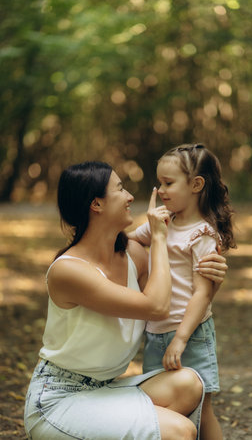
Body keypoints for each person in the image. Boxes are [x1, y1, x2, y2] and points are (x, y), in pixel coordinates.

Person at [24, 161, 228, 440]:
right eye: (120, 189)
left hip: (105, 389)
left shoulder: (133, 255)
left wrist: (208, 284)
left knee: (190, 384)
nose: (130, 196)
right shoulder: (68, 271)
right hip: (58, 400)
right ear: (96, 204)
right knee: (180, 432)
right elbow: (156, 307)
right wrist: (158, 236)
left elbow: (172, 307)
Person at [129, 144, 236, 440]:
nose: (161, 190)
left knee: (203, 407)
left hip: (190, 333)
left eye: (168, 183)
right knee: (168, 408)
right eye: (159, 183)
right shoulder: (162, 223)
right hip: (156, 333)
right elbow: (128, 240)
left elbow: (202, 293)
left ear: (196, 185)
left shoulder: (202, 234)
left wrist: (180, 339)